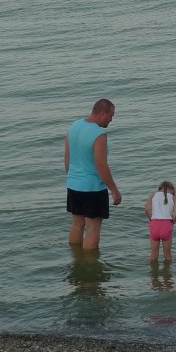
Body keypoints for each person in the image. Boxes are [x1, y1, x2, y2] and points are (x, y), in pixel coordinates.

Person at [64, 99, 121, 251]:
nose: (111, 120)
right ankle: (90, 268)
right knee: (92, 229)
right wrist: (114, 190)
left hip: (73, 184)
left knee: (77, 225)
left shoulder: (74, 126)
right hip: (92, 188)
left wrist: (73, 177)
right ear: (102, 114)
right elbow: (101, 166)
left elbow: (67, 159)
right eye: (111, 115)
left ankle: (76, 259)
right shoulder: (99, 134)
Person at [145, 181, 176, 264]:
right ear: (171, 189)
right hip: (166, 224)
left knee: (153, 256)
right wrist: (172, 222)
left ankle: (154, 275)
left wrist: (151, 219)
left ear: (159, 189)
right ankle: (167, 276)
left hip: (154, 224)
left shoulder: (153, 195)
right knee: (168, 256)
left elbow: (147, 210)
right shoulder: (173, 197)